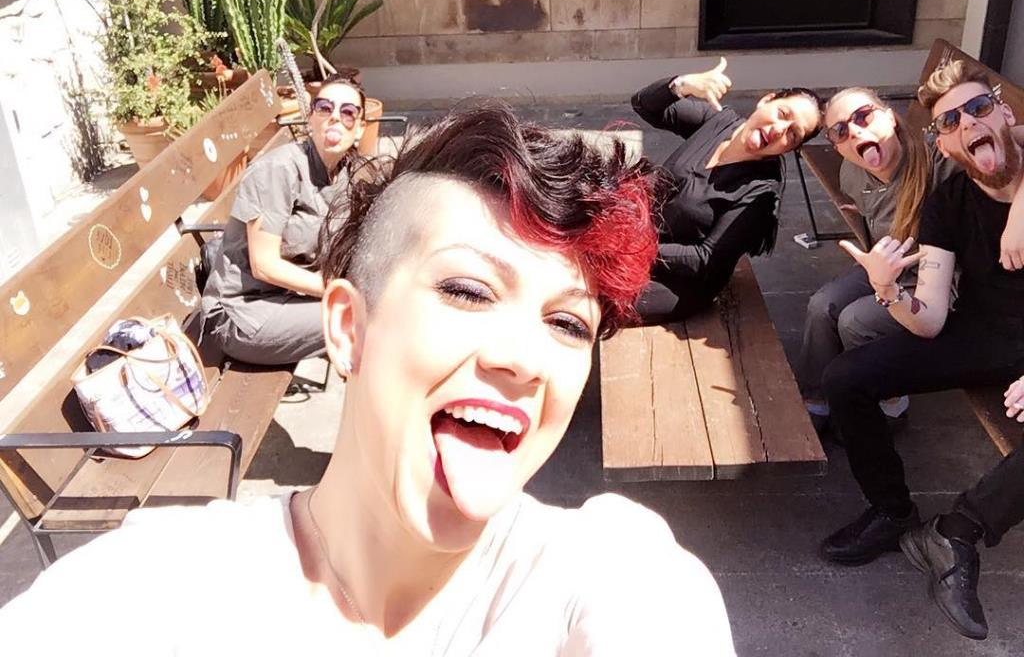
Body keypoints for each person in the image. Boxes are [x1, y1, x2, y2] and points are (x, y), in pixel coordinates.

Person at [1, 101, 735, 655]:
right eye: (469, 290)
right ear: (349, 328)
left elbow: (649, 603)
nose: (525, 356)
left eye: (568, 324)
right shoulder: (162, 585)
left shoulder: (606, 569)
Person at [819, 61, 1024, 641]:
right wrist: (887, 288)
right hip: (982, 336)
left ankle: (958, 530)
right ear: (942, 143)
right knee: (846, 378)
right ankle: (891, 511)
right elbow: (930, 318)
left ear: (1004, 111)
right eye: (951, 122)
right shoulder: (948, 202)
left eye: (978, 108)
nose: (968, 124)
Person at [796, 87, 960, 434]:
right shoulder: (852, 174)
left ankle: (888, 405)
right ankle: (816, 399)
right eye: (840, 131)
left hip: (937, 280)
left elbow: (1008, 149)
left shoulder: (939, 163)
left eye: (863, 116)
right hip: (885, 266)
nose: (855, 131)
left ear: (889, 116)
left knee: (856, 321)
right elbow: (872, 208)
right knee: (822, 305)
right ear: (838, 147)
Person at [631, 58, 823, 322]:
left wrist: (632, 247)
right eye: (782, 114)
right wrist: (683, 84)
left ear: (791, 149)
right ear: (766, 100)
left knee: (584, 297)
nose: (779, 130)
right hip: (634, 236)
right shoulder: (719, 121)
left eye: (793, 135)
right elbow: (644, 104)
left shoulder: (761, 194)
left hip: (676, 280)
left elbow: (704, 260)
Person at [200, 74, 367, 365]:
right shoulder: (278, 170)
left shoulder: (344, 174)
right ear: (311, 118)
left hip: (283, 300)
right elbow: (264, 265)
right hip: (241, 312)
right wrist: (337, 288)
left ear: (361, 128)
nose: (335, 117)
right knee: (360, 317)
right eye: (325, 108)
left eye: (348, 112)